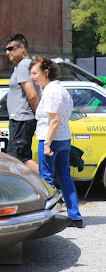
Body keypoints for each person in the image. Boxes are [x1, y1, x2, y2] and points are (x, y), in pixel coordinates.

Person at [30, 57, 84, 228]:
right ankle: (74, 215)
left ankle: (49, 218)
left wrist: (47, 143)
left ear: (46, 73)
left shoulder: (52, 91)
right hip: (63, 138)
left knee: (47, 179)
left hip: (51, 138)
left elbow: (55, 120)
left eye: (35, 73)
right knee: (65, 177)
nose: (32, 76)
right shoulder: (59, 89)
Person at [5, 33, 39, 173]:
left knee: (23, 159)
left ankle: (51, 185)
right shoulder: (21, 66)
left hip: (22, 119)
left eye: (11, 48)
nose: (8, 52)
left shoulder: (24, 64)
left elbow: (31, 94)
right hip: (17, 119)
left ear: (22, 48)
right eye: (6, 50)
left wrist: (39, 115)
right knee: (12, 158)